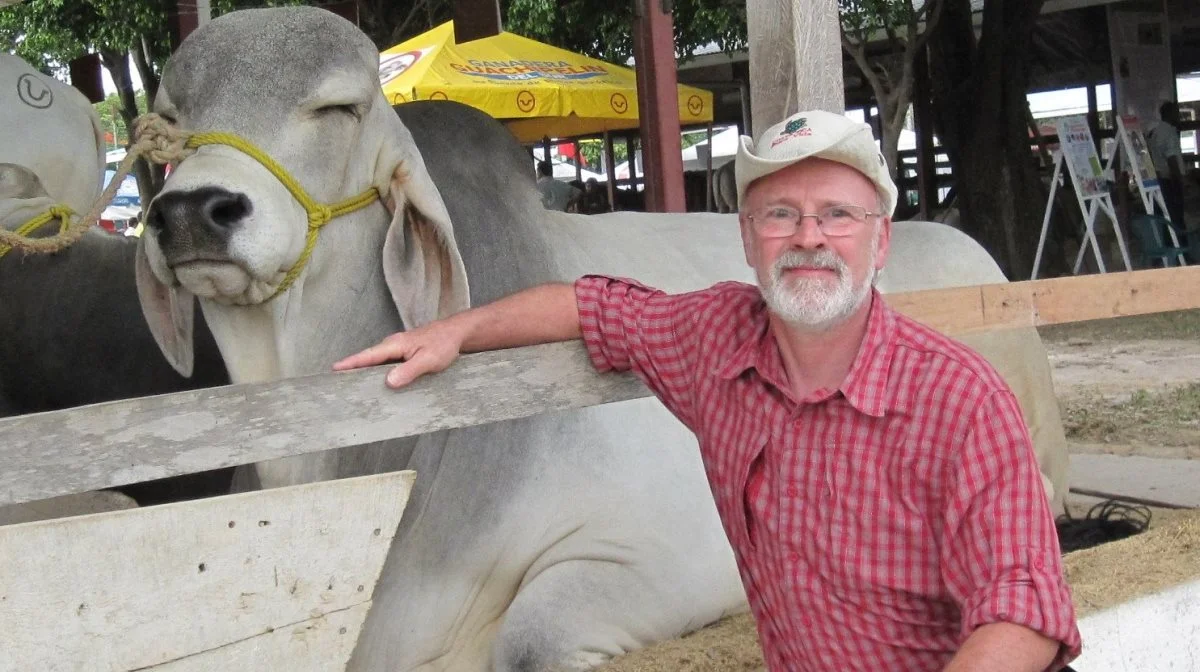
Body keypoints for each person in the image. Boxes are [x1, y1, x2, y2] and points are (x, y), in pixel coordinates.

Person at [334, 110, 1083, 671]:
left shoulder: (960, 397)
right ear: (749, 238)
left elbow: (1024, 612)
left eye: (838, 216)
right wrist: (457, 330)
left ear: (881, 241)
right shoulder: (715, 338)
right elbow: (588, 304)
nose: (809, 237)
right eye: (780, 215)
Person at [1146, 101, 1188, 246]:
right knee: (1176, 218)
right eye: (1176, 113)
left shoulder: (1155, 132)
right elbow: (1172, 159)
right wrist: (1180, 181)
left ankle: (1166, 249)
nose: (1178, 116)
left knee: (1164, 218)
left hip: (1159, 181)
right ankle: (1181, 252)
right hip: (1171, 180)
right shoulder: (1169, 132)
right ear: (1170, 114)